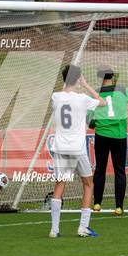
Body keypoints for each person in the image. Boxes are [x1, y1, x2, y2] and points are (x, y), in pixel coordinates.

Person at [49, 65, 105, 238]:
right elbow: (102, 102)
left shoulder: (55, 97)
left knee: (60, 185)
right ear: (78, 79)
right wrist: (86, 85)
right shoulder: (82, 98)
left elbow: (62, 98)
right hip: (77, 148)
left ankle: (54, 229)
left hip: (60, 147)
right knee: (88, 184)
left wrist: (71, 80)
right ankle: (83, 227)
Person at [87, 68, 128, 216]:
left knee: (100, 169)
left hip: (101, 135)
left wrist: (97, 124)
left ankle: (97, 203)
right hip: (119, 136)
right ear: (113, 77)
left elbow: (89, 121)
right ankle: (119, 206)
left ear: (101, 79)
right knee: (119, 170)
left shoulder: (95, 93)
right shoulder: (122, 90)